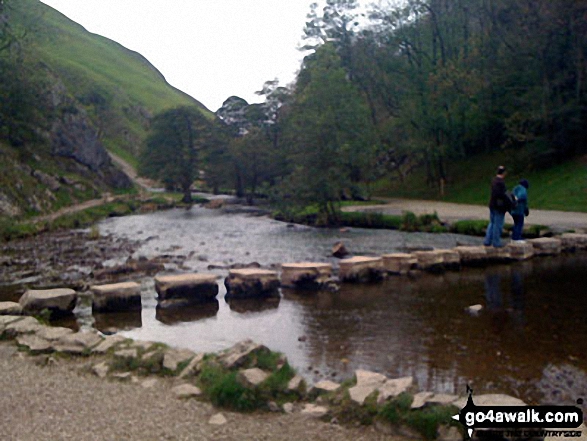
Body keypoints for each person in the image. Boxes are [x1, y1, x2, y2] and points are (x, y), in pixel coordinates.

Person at [483, 165, 511, 248]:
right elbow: (501, 195)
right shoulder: (501, 182)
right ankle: (496, 242)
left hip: (492, 205)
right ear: (504, 173)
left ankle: (487, 241)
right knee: (498, 225)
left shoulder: (493, 181)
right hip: (499, 206)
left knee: (491, 223)